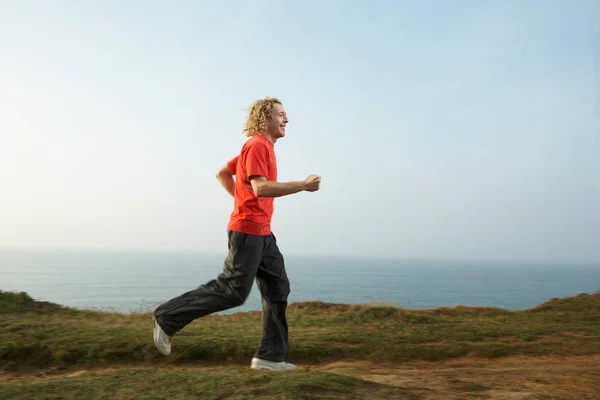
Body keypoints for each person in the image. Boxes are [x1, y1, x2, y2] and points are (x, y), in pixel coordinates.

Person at [152, 97, 321, 371]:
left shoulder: (262, 146)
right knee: (233, 290)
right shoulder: (256, 145)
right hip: (248, 232)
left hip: (263, 233)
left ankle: (269, 357)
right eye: (281, 114)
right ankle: (166, 317)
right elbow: (261, 188)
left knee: (278, 288)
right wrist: (302, 185)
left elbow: (222, 174)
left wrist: (241, 200)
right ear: (266, 118)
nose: (286, 119)